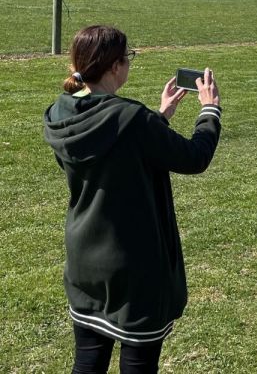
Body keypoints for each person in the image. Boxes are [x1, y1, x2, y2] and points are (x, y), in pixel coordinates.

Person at [42, 25, 222, 374]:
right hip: (134, 267)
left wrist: (160, 117)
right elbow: (194, 157)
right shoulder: (132, 119)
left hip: (84, 259)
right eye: (128, 58)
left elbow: (112, 150)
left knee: (87, 363)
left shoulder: (61, 113)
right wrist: (209, 111)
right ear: (114, 66)